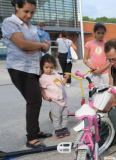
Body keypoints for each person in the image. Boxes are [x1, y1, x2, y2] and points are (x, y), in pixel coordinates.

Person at [2, 0, 52, 148]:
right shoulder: (10, 22)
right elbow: (22, 44)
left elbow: (46, 44)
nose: (29, 15)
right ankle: (31, 138)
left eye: (32, 12)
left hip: (34, 68)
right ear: (17, 6)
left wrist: (40, 45)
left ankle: (35, 131)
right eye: (26, 11)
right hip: (20, 68)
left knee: (36, 100)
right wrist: (41, 45)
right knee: (34, 101)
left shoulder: (32, 27)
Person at [39, 54, 70, 139]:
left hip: (63, 99)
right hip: (54, 100)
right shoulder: (43, 78)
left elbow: (61, 84)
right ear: (42, 67)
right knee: (56, 117)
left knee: (65, 115)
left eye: (51, 67)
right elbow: (42, 89)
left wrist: (66, 79)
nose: (49, 70)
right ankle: (58, 130)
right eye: (47, 67)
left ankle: (64, 128)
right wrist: (44, 96)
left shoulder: (57, 75)